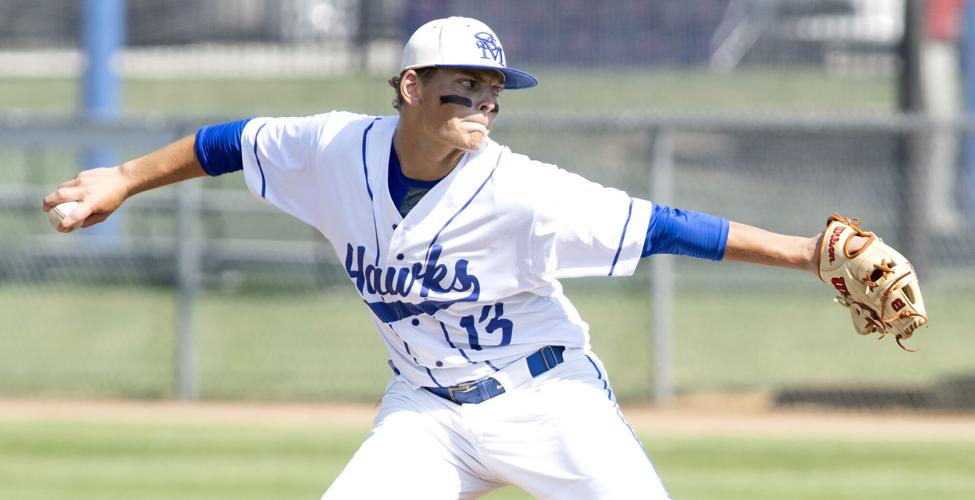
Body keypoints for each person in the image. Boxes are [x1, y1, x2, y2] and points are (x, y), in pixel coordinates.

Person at [44, 16, 856, 500]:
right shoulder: (333, 148)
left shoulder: (527, 192)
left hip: (547, 397)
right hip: (425, 412)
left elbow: (666, 226)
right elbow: (226, 143)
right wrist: (122, 176)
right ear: (409, 87)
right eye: (462, 84)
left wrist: (802, 254)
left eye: (494, 86)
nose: (484, 101)